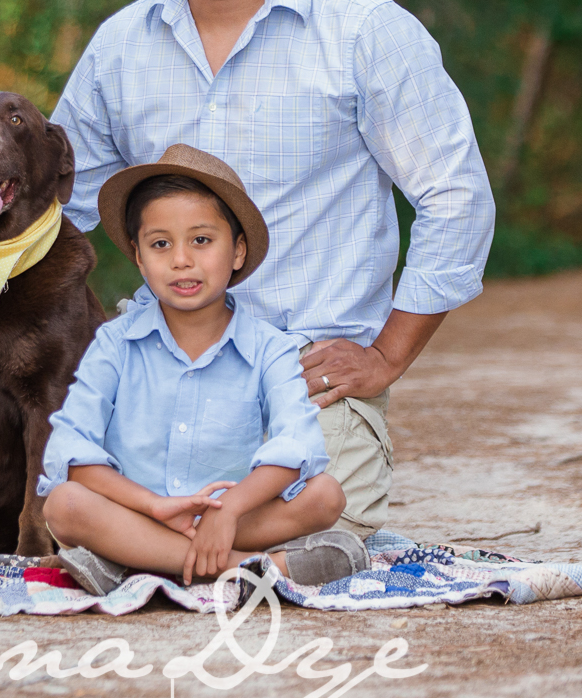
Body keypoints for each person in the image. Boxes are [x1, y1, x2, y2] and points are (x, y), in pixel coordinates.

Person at [0, 0, 495, 538]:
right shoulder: (120, 47)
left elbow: (456, 195)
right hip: (159, 376)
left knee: (316, 528)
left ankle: (186, 547)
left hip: (306, 380)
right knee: (71, 505)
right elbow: (45, 200)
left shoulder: (363, 32)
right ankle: (183, 543)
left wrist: (387, 353)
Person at [38, 146, 366, 593]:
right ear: (138, 257)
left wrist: (228, 511)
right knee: (64, 505)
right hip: (136, 513)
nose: (181, 260)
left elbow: (299, 444)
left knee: (326, 496)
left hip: (232, 517)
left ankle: (132, 562)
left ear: (237, 251)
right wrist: (154, 506)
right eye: (160, 244)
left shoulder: (269, 347)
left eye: (201, 240)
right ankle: (248, 567)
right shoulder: (115, 343)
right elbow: (71, 449)